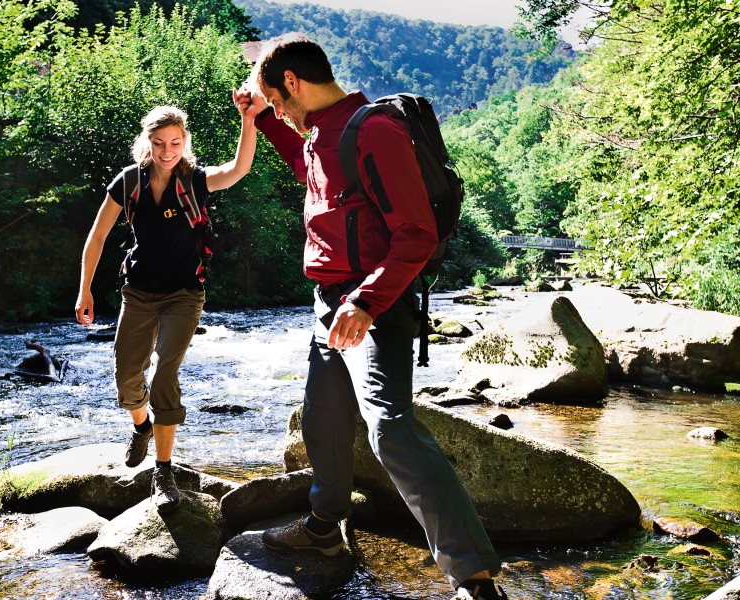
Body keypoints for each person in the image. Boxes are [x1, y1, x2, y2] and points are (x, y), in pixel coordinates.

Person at [241, 34, 507, 600]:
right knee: (323, 418)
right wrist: (263, 122)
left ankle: (475, 578)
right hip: (328, 303)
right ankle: (323, 529)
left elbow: (417, 233)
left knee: (389, 427)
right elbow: (306, 167)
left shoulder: (376, 131)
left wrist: (365, 301)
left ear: (292, 83)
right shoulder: (318, 137)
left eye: (278, 101)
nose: (281, 114)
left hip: (374, 305)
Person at [75, 98, 258, 513]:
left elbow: (239, 169)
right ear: (148, 143)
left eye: (175, 142)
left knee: (165, 373)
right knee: (127, 377)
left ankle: (163, 469)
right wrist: (84, 290)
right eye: (159, 142)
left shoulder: (195, 181)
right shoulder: (129, 182)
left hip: (184, 294)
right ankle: (141, 428)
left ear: (184, 142)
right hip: (138, 292)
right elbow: (97, 236)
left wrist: (248, 120)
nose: (167, 150)